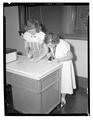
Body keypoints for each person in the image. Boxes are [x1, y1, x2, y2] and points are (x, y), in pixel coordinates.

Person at [44, 33, 76, 107]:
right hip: (59, 65)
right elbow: (55, 52)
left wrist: (59, 59)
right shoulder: (51, 44)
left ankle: (63, 98)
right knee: (58, 81)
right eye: (48, 45)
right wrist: (51, 55)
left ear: (55, 41)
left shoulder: (63, 44)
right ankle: (56, 95)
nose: (49, 47)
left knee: (64, 83)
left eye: (50, 45)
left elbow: (71, 56)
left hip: (66, 65)